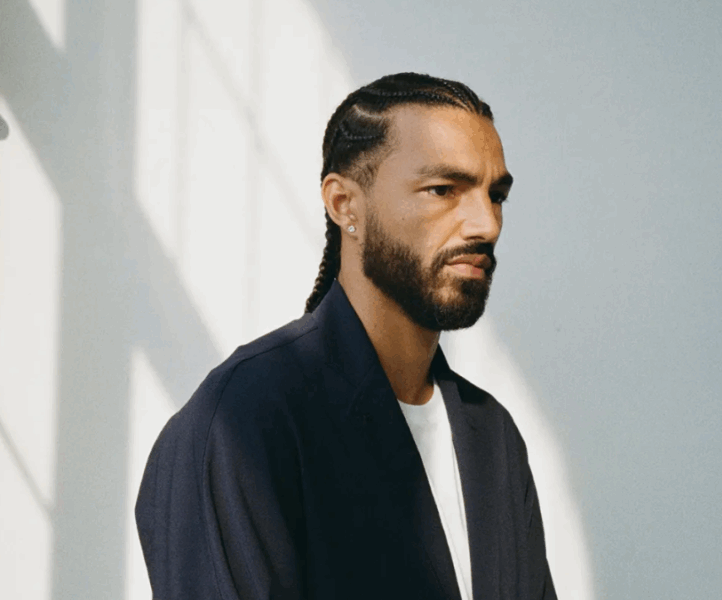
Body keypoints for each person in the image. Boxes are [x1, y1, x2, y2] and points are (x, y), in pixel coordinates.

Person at [136, 72, 557, 600]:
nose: (486, 224)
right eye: (443, 190)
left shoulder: (492, 437)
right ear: (343, 204)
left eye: (496, 196)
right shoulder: (245, 417)